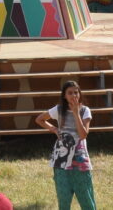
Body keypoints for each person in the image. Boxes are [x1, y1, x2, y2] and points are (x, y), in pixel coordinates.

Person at [35, 80, 94, 210]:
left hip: (80, 160)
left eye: (76, 92)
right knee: (63, 200)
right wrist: (55, 129)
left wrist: (76, 113)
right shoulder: (58, 109)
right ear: (64, 96)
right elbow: (39, 119)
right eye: (70, 93)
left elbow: (83, 134)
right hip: (61, 161)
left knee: (86, 199)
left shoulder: (85, 111)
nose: (74, 95)